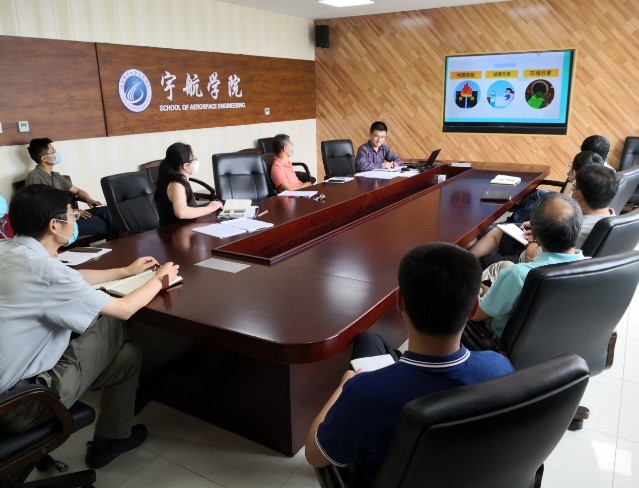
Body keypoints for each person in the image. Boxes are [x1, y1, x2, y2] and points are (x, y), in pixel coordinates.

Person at [0, 184, 180, 469]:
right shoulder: (46, 271)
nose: (75, 222)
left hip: (11, 390)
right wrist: (159, 279)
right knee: (113, 323)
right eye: (72, 216)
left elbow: (68, 276)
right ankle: (162, 376)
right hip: (21, 405)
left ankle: (112, 439)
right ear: (54, 225)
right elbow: (123, 310)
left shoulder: (8, 251)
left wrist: (124, 271)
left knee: (128, 357)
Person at [305, 243, 514, 486]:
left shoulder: (363, 393)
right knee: (369, 341)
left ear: (400, 301)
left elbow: (314, 455)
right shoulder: (499, 367)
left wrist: (344, 386)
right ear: (473, 308)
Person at [474, 193, 584, 338]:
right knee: (504, 265)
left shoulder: (519, 275)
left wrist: (486, 294)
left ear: (534, 235)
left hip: (500, 339)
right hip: (554, 338)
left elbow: (477, 315)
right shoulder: (593, 267)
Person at [473, 151, 608, 267]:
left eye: (574, 185)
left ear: (579, 195)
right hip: (540, 245)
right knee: (499, 231)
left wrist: (535, 239)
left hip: (532, 260)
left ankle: (467, 263)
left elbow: (536, 256)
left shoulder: (576, 224)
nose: (572, 188)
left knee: (485, 256)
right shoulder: (607, 220)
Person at [26, 137, 117, 241]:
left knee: (110, 212)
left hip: (70, 214)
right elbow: (40, 208)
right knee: (106, 224)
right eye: (53, 151)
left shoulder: (56, 176)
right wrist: (73, 212)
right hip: (59, 221)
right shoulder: (34, 176)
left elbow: (77, 191)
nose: (56, 153)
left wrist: (88, 199)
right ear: (44, 158)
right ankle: (117, 248)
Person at [154, 142, 223, 226]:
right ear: (186, 166)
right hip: (174, 232)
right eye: (194, 159)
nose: (196, 161)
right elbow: (181, 212)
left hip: (186, 228)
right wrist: (210, 208)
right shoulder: (176, 185)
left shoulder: (179, 180)